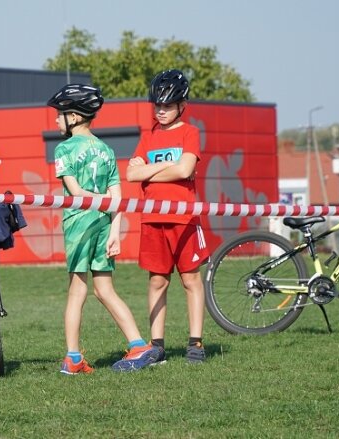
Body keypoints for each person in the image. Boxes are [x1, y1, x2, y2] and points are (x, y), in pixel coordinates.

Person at [47, 84, 160, 374]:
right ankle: (138, 344)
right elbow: (117, 198)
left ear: (73, 116)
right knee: (105, 290)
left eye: (59, 115)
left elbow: (75, 191)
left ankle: (72, 358)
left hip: (79, 225)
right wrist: (114, 232)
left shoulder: (63, 148)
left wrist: (101, 207)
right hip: (103, 224)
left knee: (77, 291)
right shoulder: (107, 150)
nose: (56, 120)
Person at [126, 69, 210, 364]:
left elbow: (185, 170)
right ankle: (157, 345)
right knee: (157, 282)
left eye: (167, 106)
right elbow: (131, 173)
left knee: (191, 280)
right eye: (157, 106)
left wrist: (149, 170)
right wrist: (166, 167)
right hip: (152, 219)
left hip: (184, 218)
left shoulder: (190, 132)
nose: (161, 111)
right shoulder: (148, 136)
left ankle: (195, 343)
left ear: (181, 105)